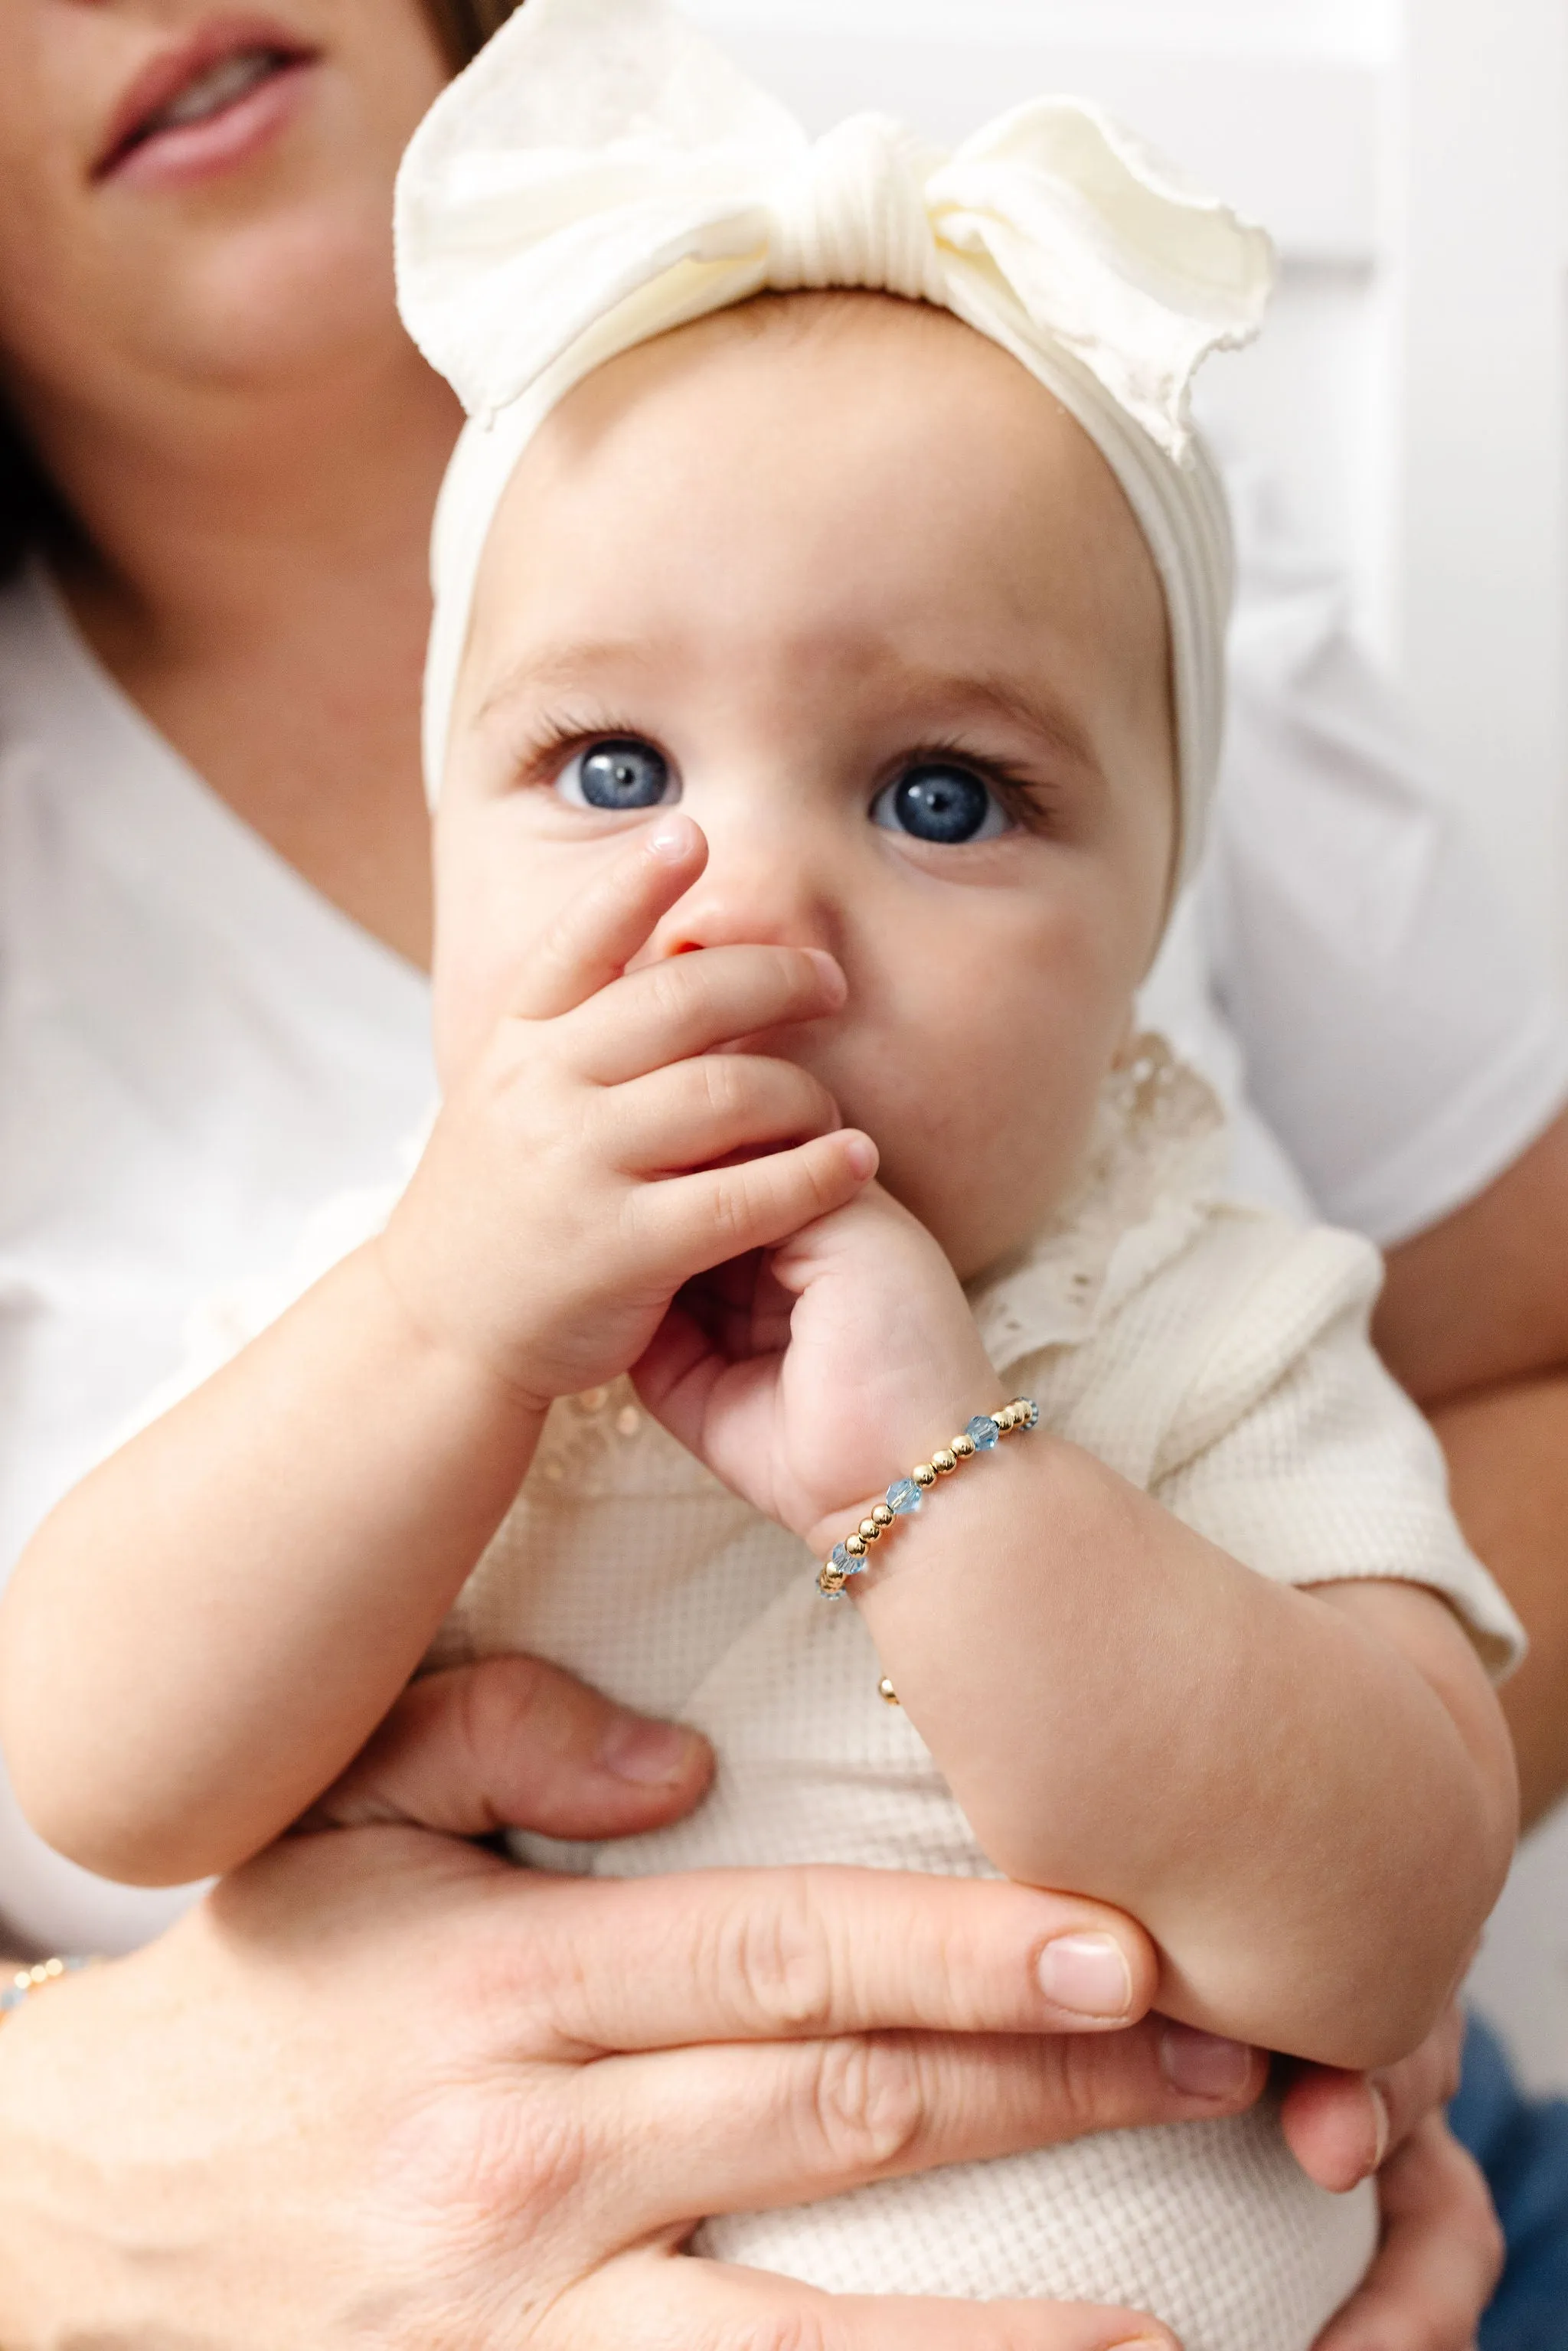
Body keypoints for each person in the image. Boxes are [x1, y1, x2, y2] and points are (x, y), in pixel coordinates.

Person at [0, 0, 1539, 2341]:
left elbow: (1392, 1894)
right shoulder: (428, 1334)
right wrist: (434, 1328)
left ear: (1148, 936)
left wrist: (954, 1483)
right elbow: (95, 1761)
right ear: (454, 846)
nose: (743, 909)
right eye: (611, 768)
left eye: (938, 797)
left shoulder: (1201, 1311)